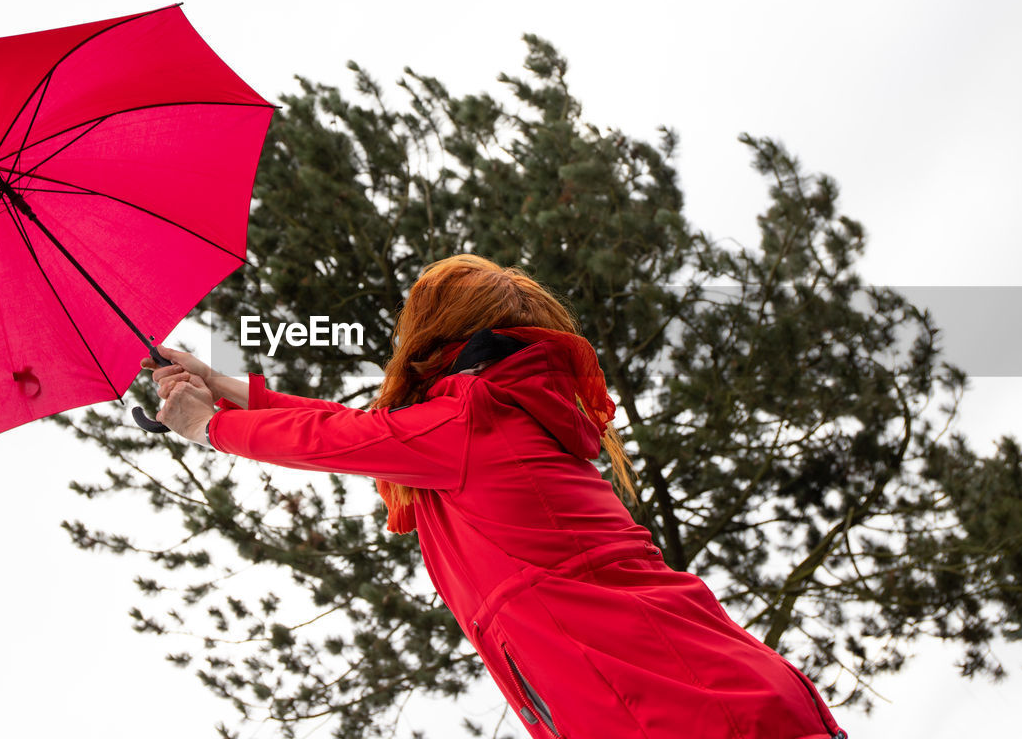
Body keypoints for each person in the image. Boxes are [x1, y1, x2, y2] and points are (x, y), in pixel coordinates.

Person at [143, 254, 847, 739]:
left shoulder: (471, 419)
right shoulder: (485, 414)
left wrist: (211, 427)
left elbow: (340, 439)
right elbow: (361, 429)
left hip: (685, 712)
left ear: (434, 333)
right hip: (710, 700)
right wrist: (224, 384)